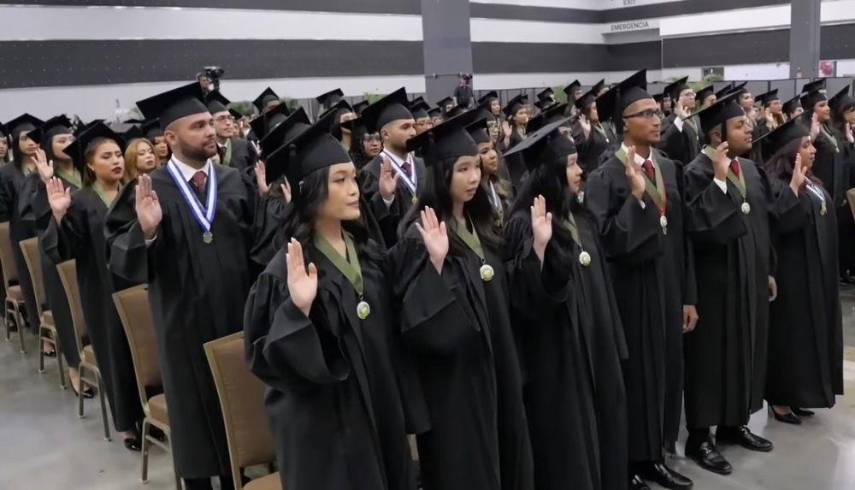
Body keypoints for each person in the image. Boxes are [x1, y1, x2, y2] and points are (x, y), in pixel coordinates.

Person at [243, 117, 418, 490]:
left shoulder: (368, 254)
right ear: (309, 190)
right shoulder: (285, 274)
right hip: (328, 436)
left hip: (380, 415)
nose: (354, 189)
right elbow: (267, 362)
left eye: (354, 178)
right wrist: (298, 311)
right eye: (340, 181)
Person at [105, 82, 258, 490]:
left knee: (240, 427)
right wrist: (147, 231)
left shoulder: (234, 182)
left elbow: (260, 249)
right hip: (182, 329)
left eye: (210, 123)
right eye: (197, 126)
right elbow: (119, 258)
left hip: (236, 320)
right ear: (170, 138)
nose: (210, 131)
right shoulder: (150, 190)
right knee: (196, 431)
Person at [389, 111, 534, 490]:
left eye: (475, 168)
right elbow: (414, 325)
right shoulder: (417, 237)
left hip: (497, 370)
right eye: (463, 169)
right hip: (453, 388)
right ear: (441, 174)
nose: (474, 178)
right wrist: (435, 266)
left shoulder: (481, 225)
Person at [503, 119, 629, 490]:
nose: (580, 171)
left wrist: (613, 344)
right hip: (558, 360)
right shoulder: (523, 225)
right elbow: (526, 302)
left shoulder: (580, 217)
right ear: (549, 174)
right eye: (571, 164)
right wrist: (539, 252)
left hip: (596, 349)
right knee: (568, 449)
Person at [584, 70, 694, 490]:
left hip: (666, 288)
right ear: (624, 124)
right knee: (636, 379)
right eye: (645, 113)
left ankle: (655, 453)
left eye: (656, 111)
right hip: (628, 293)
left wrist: (688, 296)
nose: (656, 118)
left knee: (665, 371)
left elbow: (680, 235)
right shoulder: (604, 176)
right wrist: (635, 198)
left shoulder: (667, 166)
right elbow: (606, 241)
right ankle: (630, 459)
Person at [683, 94, 779, 476]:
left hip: (749, 279)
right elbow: (699, 230)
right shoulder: (695, 172)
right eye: (739, 125)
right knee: (710, 358)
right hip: (715, 283)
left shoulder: (751, 171)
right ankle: (699, 436)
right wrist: (719, 181)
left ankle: (733, 422)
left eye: (746, 123)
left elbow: (762, 224)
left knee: (744, 349)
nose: (749, 128)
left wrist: (767, 270)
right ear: (716, 134)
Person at [41, 122, 145, 451]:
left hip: (141, 283)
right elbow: (66, 250)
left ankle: (153, 411)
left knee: (148, 349)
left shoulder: (137, 191)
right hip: (103, 290)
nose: (115, 161)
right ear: (90, 164)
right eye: (106, 156)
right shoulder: (82, 201)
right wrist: (59, 217)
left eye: (117, 154)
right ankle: (128, 424)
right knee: (116, 354)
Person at [762, 119, 844, 423]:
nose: (812, 150)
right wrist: (794, 189)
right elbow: (779, 225)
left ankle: (800, 394)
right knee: (790, 337)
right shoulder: (776, 183)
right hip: (792, 276)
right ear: (789, 153)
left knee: (809, 338)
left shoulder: (814, 182)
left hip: (816, 274)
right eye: (805, 145)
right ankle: (781, 398)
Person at [23, 115, 89, 392]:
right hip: (59, 253)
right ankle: (74, 366)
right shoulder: (42, 180)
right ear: (49, 148)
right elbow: (40, 221)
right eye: (61, 140)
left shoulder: (87, 172)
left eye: (71, 139)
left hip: (89, 250)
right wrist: (46, 181)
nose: (68, 143)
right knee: (68, 311)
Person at [359, 88, 424, 247]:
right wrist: (385, 200)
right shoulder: (371, 172)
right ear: (385, 134)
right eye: (405, 127)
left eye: (413, 126)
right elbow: (370, 226)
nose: (413, 132)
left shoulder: (423, 166)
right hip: (396, 259)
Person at [800, 79, 850, 283]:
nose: (827, 108)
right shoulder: (807, 133)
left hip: (835, 195)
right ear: (811, 110)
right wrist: (811, 136)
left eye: (827, 104)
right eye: (821, 105)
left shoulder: (831, 131)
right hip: (818, 193)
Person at [1, 114, 44, 339]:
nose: (31, 142)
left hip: (46, 227)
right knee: (31, 278)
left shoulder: (47, 167)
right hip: (22, 231)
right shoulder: (7, 172)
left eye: (34, 138)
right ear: (16, 142)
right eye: (25, 138)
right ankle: (38, 326)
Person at [828, 87, 855, 281]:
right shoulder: (836, 133)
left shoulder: (848, 130)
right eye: (850, 110)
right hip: (841, 191)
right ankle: (841, 269)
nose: (853, 114)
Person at [468, 118, 512, 225]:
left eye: (493, 148)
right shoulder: (470, 200)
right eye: (484, 151)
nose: (493, 155)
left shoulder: (502, 186)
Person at [205, 91, 257, 172]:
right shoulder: (204, 150)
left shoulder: (245, 146)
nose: (228, 123)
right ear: (211, 123)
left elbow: (254, 176)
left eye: (229, 118)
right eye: (221, 118)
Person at [659, 77, 701, 165]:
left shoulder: (696, 119)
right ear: (675, 100)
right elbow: (662, 144)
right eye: (687, 94)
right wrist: (679, 121)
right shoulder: (668, 121)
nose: (692, 97)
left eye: (692, 94)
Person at [573, 83, 612, 175]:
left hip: (608, 171)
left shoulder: (603, 124)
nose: (598, 110)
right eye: (594, 108)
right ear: (587, 111)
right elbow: (580, 155)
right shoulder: (580, 128)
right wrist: (587, 135)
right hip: (593, 174)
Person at [500, 94, 530, 186]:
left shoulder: (528, 130)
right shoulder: (511, 133)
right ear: (514, 117)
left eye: (525, 112)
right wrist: (507, 136)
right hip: (517, 176)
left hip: (528, 171)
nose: (524, 115)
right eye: (521, 113)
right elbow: (504, 149)